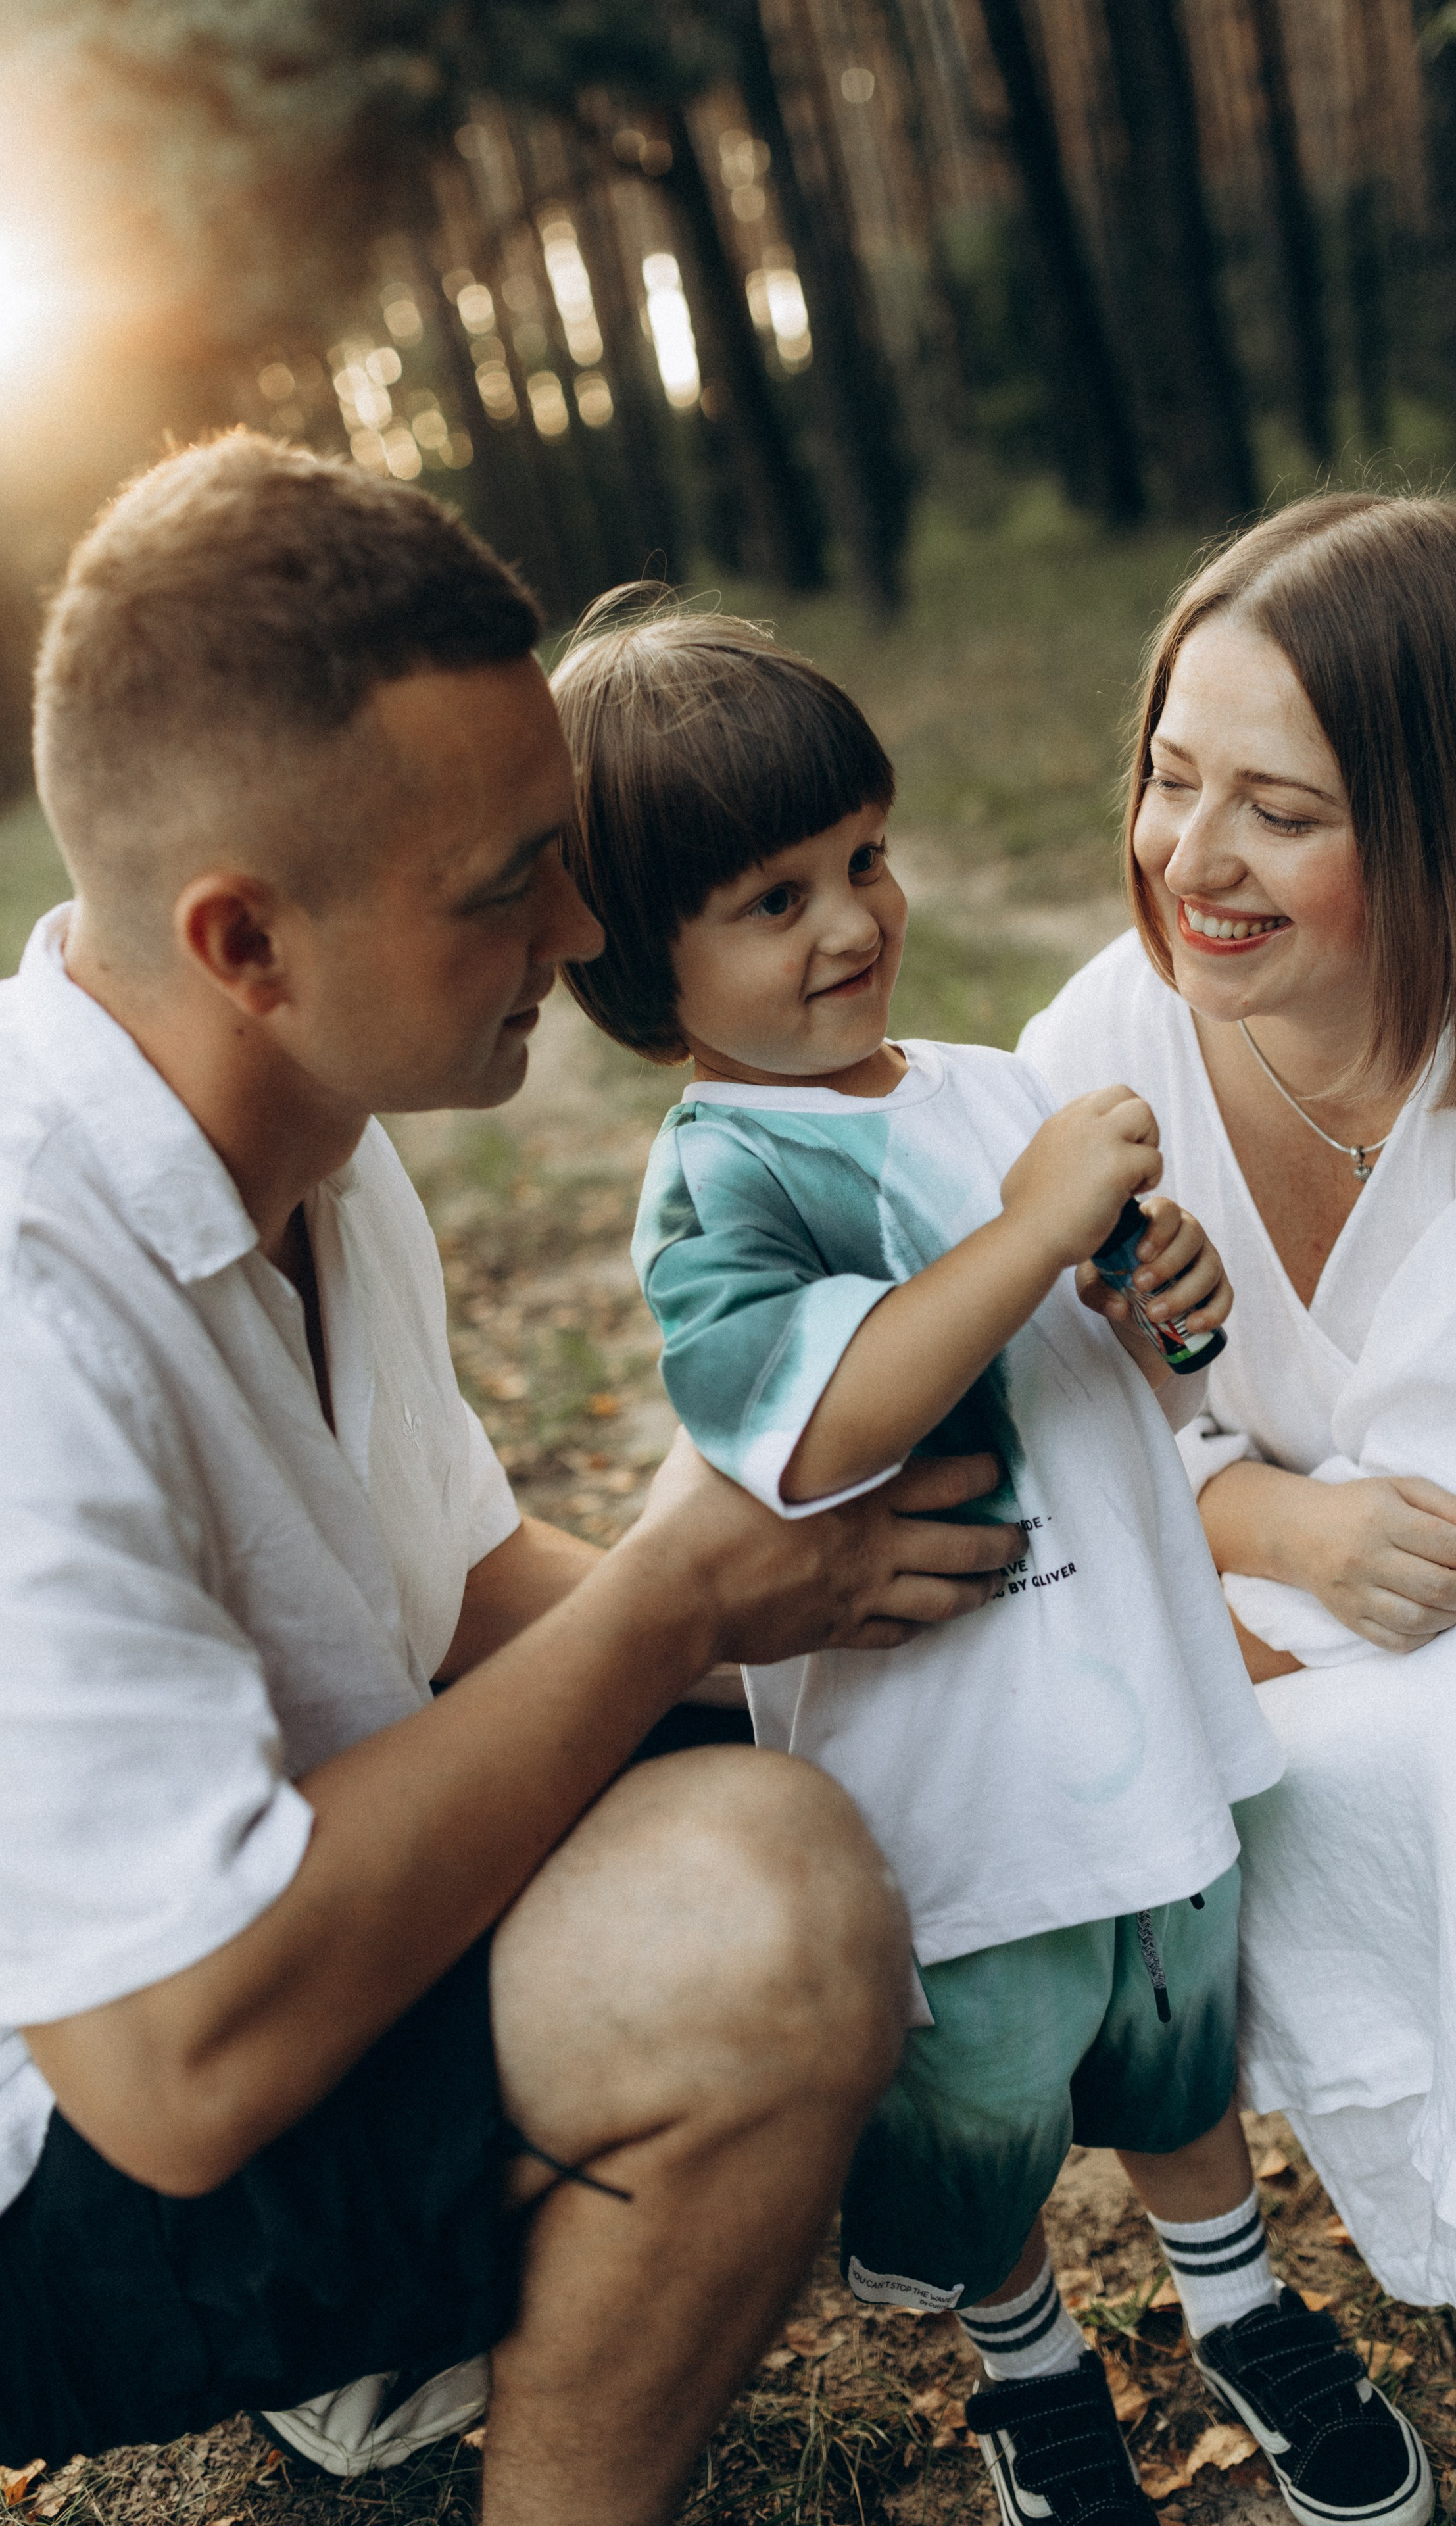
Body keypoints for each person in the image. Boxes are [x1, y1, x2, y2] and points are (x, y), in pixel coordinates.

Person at [0, 435, 1026, 2517]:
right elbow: (174, 2069)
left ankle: (390, 2342)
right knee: (761, 1918)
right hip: (76, 2137)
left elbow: (461, 1591)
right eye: (504, 886)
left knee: (817, 1771)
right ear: (246, 944)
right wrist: (674, 1603)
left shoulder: (321, 1146)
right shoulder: (30, 1300)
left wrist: (856, 1627)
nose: (582, 925)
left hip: (225, 1998)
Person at [550, 601, 1435, 2526]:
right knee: (984, 2116)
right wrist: (1038, 1231)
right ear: (640, 964)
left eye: (860, 858)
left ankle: (1244, 2306)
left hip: (1130, 1694)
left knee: (1173, 2044)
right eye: (771, 902)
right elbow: (819, 1425)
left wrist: (1159, 1298)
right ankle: (1028, 2365)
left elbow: (1114, 1332)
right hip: (942, 1775)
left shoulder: (978, 1085)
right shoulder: (721, 1174)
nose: (852, 923)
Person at [1019, 491, 1456, 2355]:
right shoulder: (1108, 1048)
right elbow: (1053, 1407)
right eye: (1171, 777)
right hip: (1293, 1586)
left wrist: (1267, 1569)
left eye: (1282, 813)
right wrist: (1264, 1528)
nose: (1191, 860)